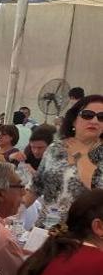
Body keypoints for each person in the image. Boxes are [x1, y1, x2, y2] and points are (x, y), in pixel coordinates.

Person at [27, 95, 103, 227]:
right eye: (88, 115)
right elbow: (36, 187)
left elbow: (97, 191)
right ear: (74, 120)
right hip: (46, 227)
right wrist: (13, 212)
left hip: (83, 230)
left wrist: (79, 155)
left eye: (101, 117)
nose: (95, 120)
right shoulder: (55, 148)